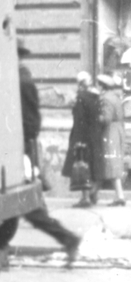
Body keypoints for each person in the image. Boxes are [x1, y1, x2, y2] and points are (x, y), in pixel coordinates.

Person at [17, 48, 82, 265]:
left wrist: (22, 146)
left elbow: (31, 122)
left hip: (18, 151)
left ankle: (69, 239)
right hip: (18, 150)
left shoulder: (21, 81)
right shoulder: (15, 78)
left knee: (30, 209)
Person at [65, 70, 98, 201]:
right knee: (91, 165)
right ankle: (93, 192)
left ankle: (85, 198)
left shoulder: (80, 98)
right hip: (93, 136)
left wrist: (77, 140)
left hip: (81, 137)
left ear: (80, 83)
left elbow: (79, 119)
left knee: (81, 166)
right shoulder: (94, 96)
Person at [101, 68, 129, 207]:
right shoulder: (116, 97)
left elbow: (106, 118)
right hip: (118, 130)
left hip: (110, 132)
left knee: (111, 163)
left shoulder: (106, 99)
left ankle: (119, 196)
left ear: (103, 87)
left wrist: (95, 119)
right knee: (113, 163)